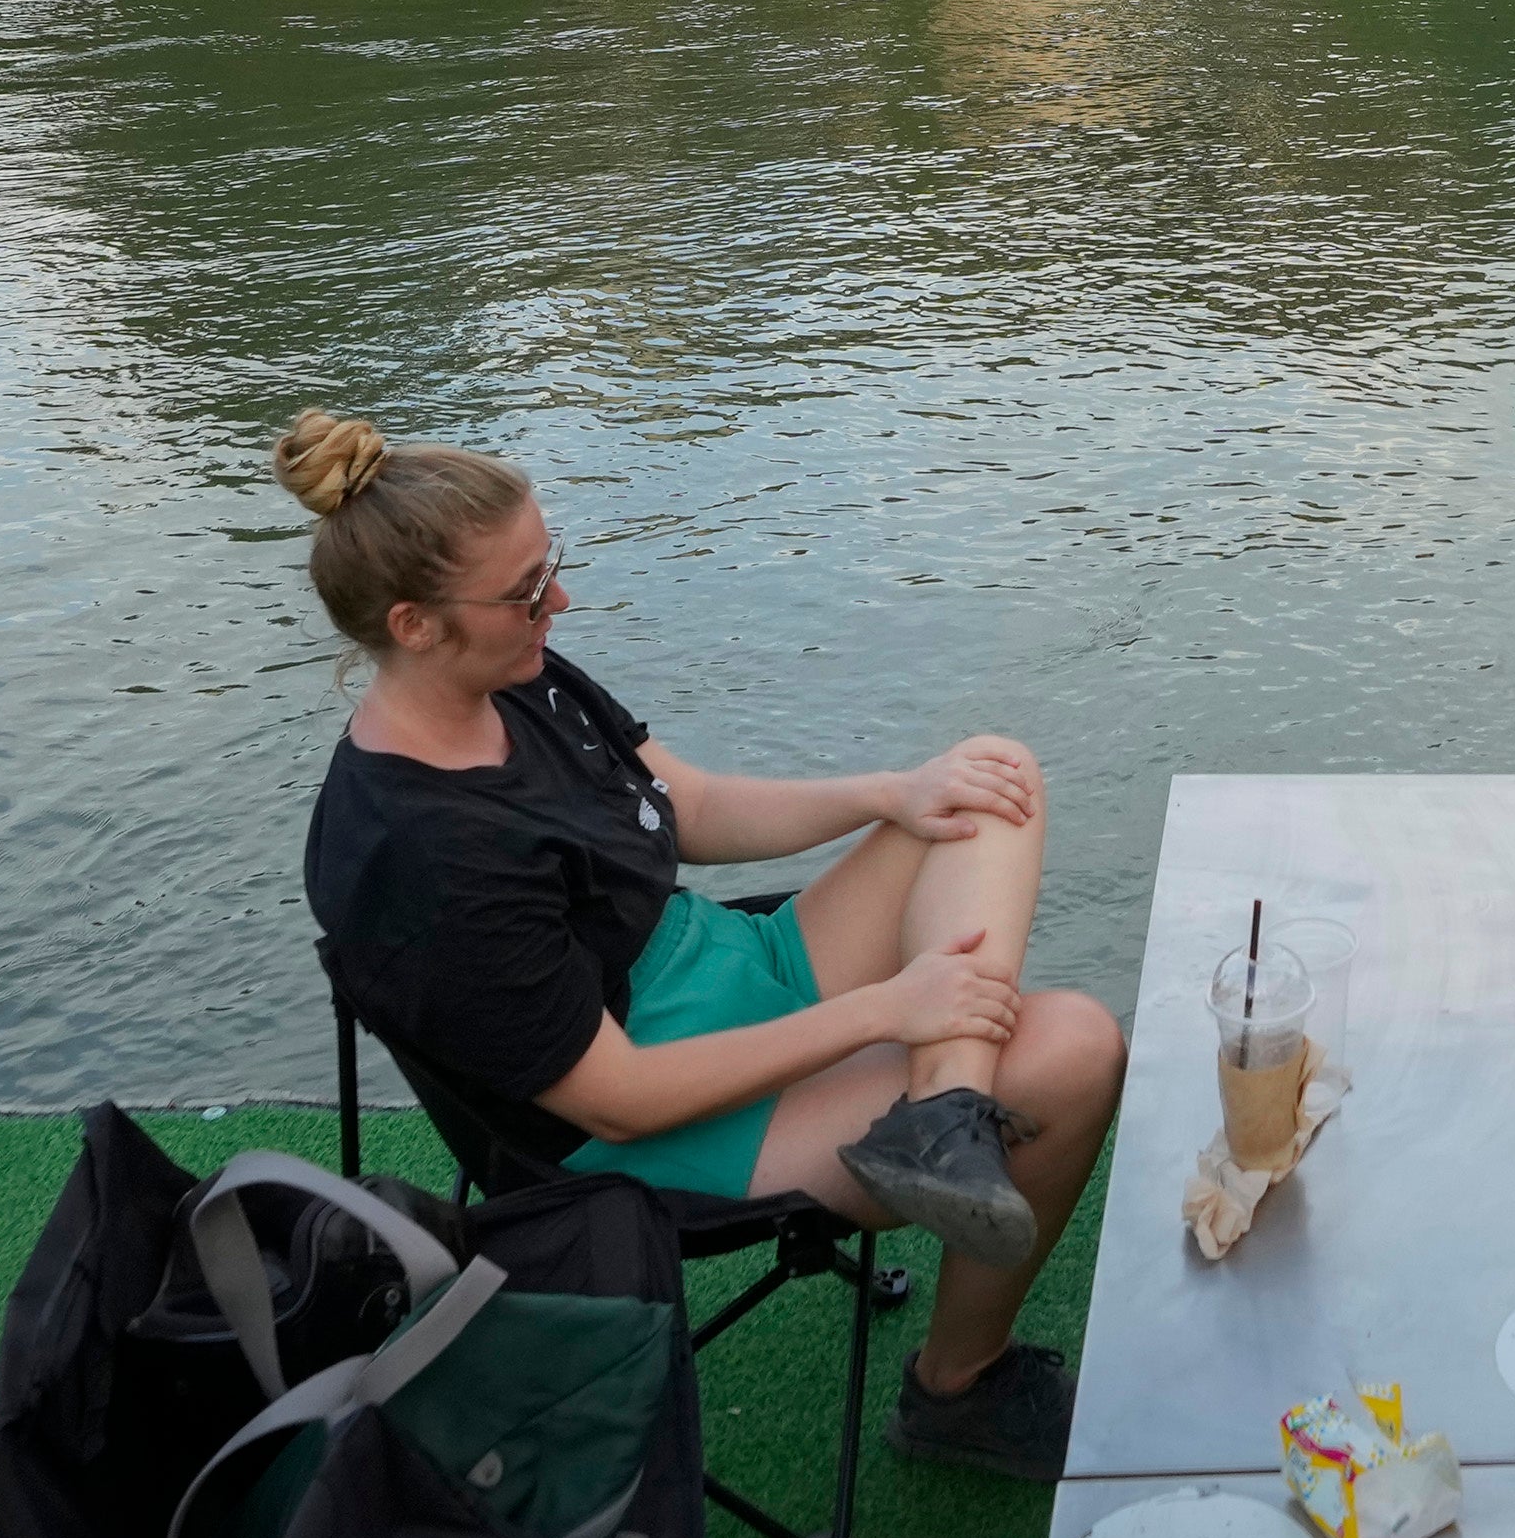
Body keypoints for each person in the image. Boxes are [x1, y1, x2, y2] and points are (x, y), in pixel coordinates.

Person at [279, 412, 1121, 1477]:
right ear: (414, 623)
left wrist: (895, 792)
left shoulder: (509, 675)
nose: (559, 603)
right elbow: (616, 1098)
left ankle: (942, 1116)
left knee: (987, 780)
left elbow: (684, 804)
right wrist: (884, 1010)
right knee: (1074, 1050)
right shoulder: (421, 856)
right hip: (652, 1124)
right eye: (527, 591)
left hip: (720, 965)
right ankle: (957, 1388)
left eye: (552, 570)